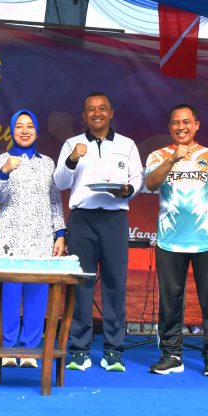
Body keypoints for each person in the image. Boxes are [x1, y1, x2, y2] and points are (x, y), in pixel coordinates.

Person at [53, 92, 143, 372]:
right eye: (91, 109)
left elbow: (137, 178)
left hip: (115, 218)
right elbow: (59, 182)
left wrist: (128, 190)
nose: (97, 113)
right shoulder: (72, 144)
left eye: (102, 108)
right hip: (82, 219)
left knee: (115, 283)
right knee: (81, 283)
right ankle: (79, 350)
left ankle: (113, 351)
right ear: (84, 116)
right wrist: (71, 159)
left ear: (111, 113)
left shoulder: (127, 144)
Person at [144, 104, 208, 377]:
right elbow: (151, 184)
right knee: (170, 300)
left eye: (186, 122)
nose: (181, 127)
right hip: (170, 241)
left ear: (196, 125)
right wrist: (173, 159)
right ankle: (172, 355)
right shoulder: (158, 155)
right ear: (169, 127)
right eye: (176, 122)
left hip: (207, 240)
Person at [0, 109, 66, 368]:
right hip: (10, 237)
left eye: (29, 126)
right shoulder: (2, 160)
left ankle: (31, 349)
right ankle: (8, 348)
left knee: (37, 293)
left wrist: (60, 234)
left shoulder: (47, 163)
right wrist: (5, 171)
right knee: (10, 294)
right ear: (12, 131)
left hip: (40, 237)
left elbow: (54, 200)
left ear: (36, 131)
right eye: (19, 126)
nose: (24, 131)